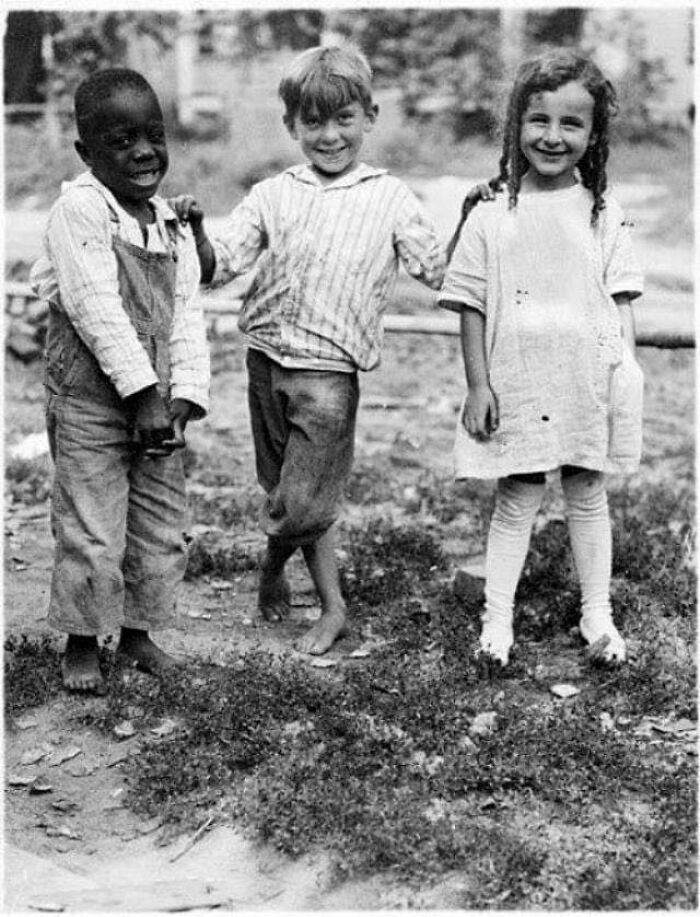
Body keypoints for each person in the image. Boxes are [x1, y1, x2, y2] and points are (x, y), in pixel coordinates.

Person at [173, 45, 445, 655]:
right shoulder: (273, 194)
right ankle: (272, 572)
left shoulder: (391, 198)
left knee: (305, 502)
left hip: (329, 376)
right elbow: (219, 265)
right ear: (292, 125)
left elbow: (440, 271)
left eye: (344, 119)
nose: (330, 135)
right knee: (281, 489)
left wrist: (481, 217)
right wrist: (193, 229)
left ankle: (332, 608)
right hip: (265, 359)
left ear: (370, 116)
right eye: (314, 122)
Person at [439, 51, 644, 666]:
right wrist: (479, 386)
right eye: (539, 121)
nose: (553, 137)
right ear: (515, 126)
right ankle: (496, 624)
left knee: (587, 492)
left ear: (594, 134)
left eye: (571, 124)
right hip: (518, 381)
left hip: (585, 382)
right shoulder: (491, 215)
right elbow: (470, 304)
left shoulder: (603, 214)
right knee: (518, 495)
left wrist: (623, 378)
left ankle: (597, 617)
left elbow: (620, 305)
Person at [30, 69, 210, 692]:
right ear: (86, 153)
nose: (143, 152)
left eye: (154, 135)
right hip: (92, 404)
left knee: (159, 524)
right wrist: (141, 395)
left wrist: (183, 395)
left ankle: (138, 633)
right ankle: (83, 638)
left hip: (156, 407)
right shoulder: (79, 210)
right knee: (92, 525)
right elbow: (94, 307)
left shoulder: (167, 221)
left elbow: (185, 311)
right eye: (121, 140)